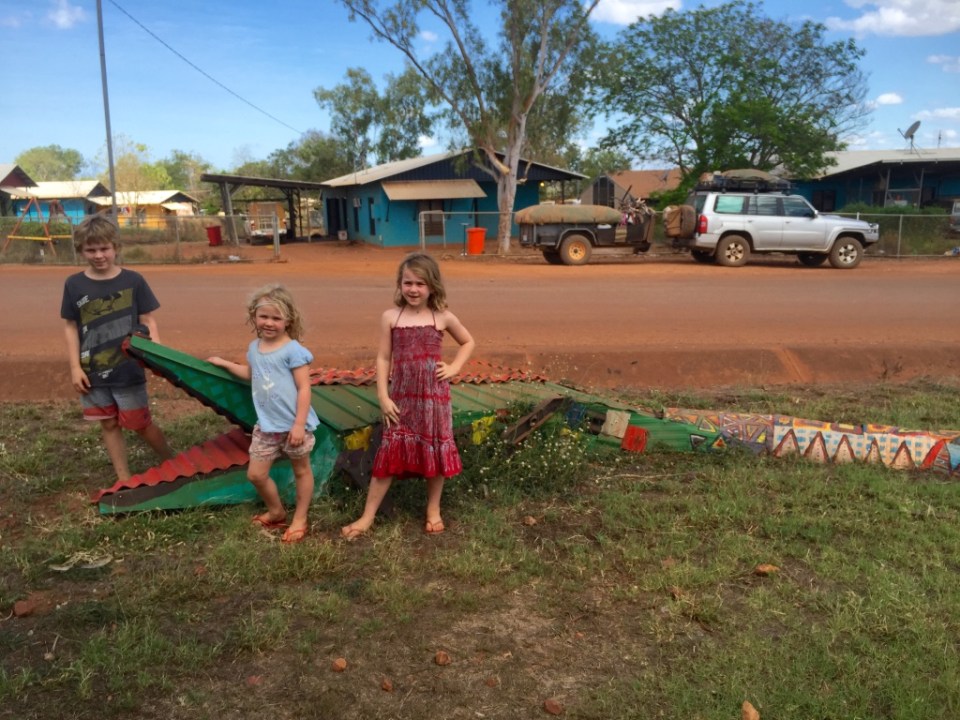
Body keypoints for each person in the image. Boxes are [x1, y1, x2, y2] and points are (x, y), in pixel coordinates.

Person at [342, 252, 475, 540]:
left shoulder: (443, 316)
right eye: (407, 283)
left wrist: (453, 368)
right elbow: (383, 358)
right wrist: (383, 396)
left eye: (420, 284)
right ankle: (367, 516)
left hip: (433, 399)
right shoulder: (391, 317)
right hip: (400, 398)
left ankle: (433, 510)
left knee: (435, 452)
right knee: (388, 452)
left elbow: (468, 341)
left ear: (432, 286)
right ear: (399, 284)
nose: (413, 289)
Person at [61, 214, 174, 484]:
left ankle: (173, 460)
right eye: (91, 249)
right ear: (81, 251)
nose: (99, 255)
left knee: (140, 423)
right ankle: (123, 478)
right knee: (109, 423)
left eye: (104, 248)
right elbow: (70, 326)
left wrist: (157, 354)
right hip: (93, 371)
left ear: (115, 247)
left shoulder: (133, 280)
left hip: (128, 367)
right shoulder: (74, 284)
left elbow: (147, 319)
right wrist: (75, 368)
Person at [207, 284, 320, 544]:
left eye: (276, 318)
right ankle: (276, 511)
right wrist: (225, 364)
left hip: (294, 427)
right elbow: (251, 374)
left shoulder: (293, 351)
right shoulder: (254, 347)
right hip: (267, 427)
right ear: (254, 317)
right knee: (256, 475)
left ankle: (300, 518)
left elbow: (304, 388)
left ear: (288, 319)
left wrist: (299, 424)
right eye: (264, 317)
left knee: (301, 470)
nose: (269, 323)